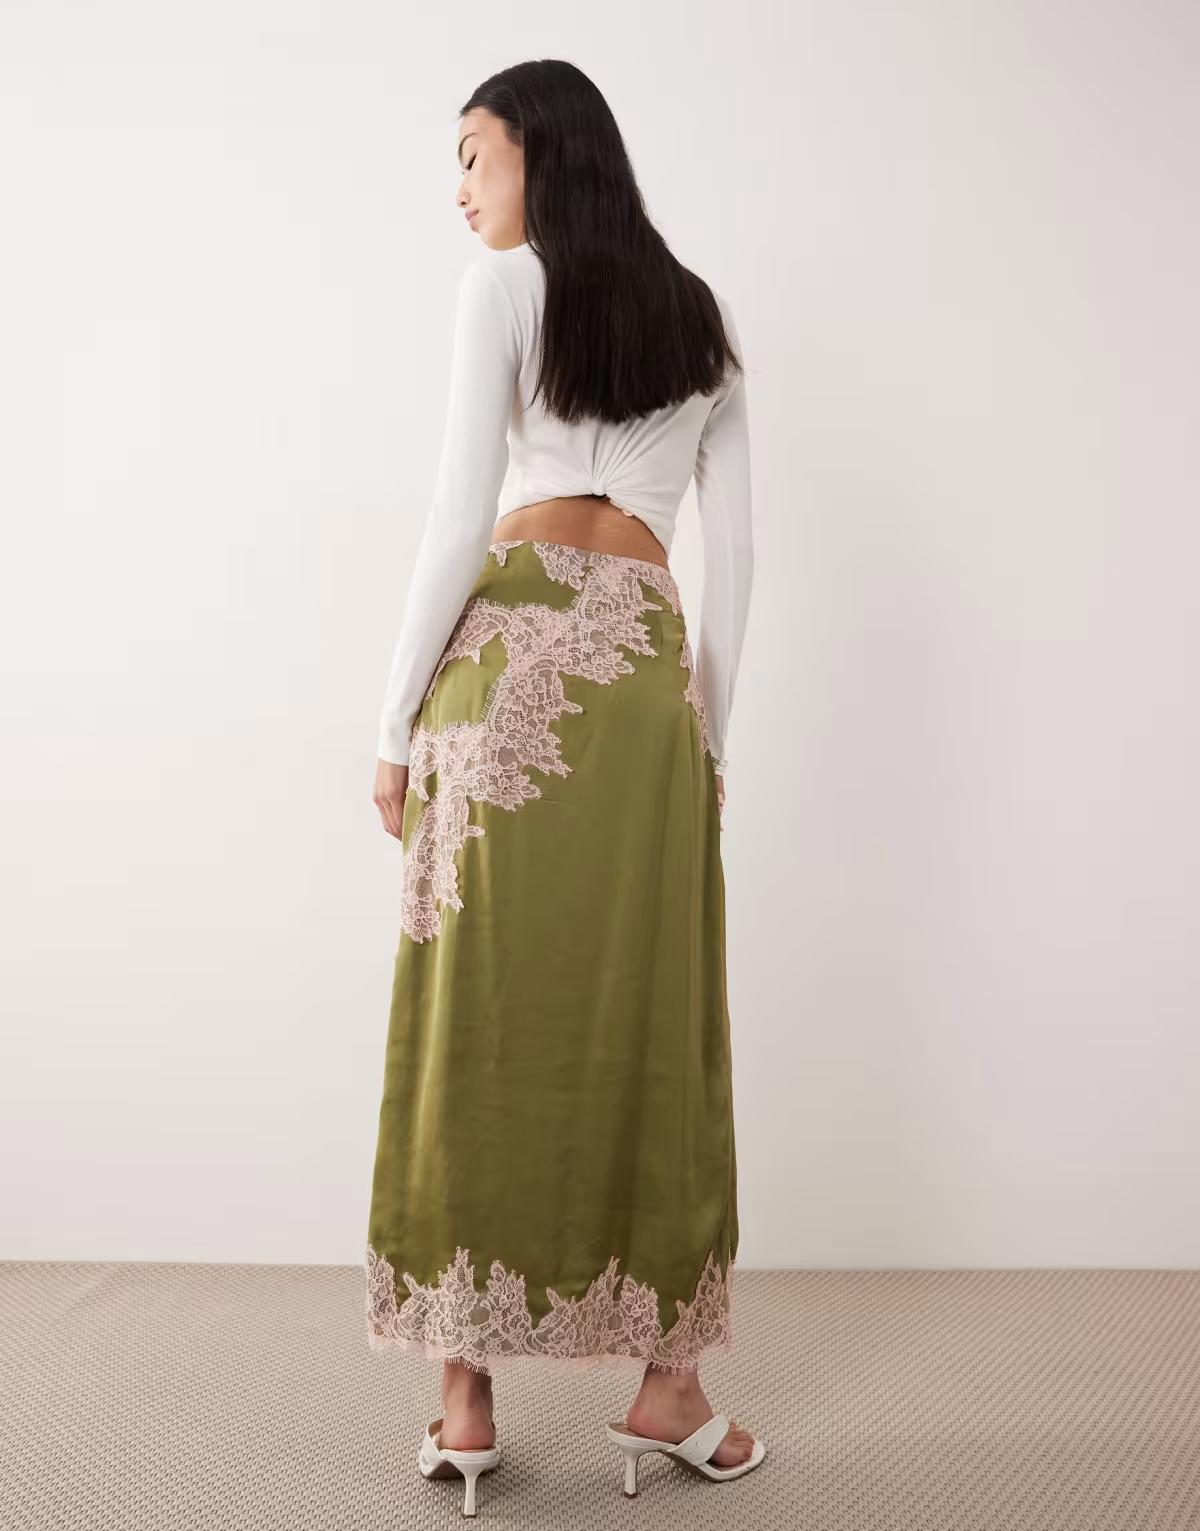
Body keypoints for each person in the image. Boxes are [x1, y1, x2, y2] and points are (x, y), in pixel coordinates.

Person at [364, 59, 763, 1513]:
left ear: (542, 150)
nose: (461, 188)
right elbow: (740, 557)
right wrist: (706, 735)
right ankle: (671, 1388)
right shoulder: (701, 317)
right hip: (646, 680)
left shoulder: (503, 286)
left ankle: (466, 1396)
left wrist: (392, 722)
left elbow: (457, 516)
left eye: (474, 154)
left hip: (506, 670)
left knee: (470, 1009)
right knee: (656, 1012)